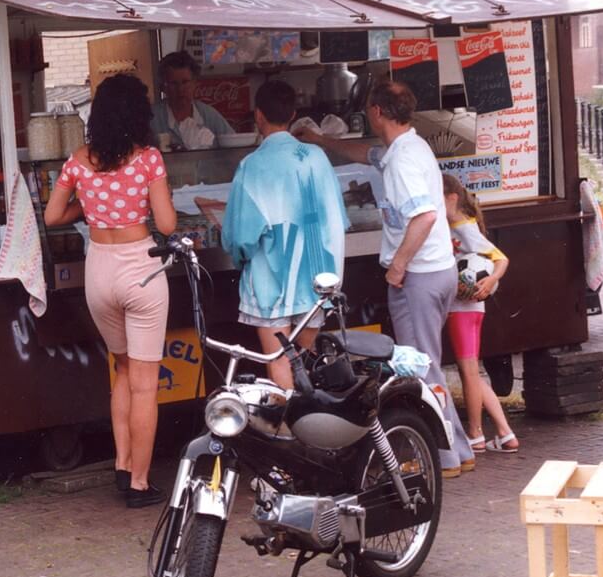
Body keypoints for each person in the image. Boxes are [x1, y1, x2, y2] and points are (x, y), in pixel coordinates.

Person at [298, 79, 476, 478]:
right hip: (438, 271)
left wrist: (398, 264)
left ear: (376, 112)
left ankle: (440, 455)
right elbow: (365, 153)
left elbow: (426, 215)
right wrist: (321, 140)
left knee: (416, 367)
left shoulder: (401, 160)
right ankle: (459, 448)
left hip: (419, 276)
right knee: (427, 362)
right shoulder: (409, 146)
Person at [44, 74, 178, 508]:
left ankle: (122, 464)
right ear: (138, 114)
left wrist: (89, 204)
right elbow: (169, 225)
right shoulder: (149, 159)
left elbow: (51, 216)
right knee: (144, 384)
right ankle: (139, 483)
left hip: (98, 271)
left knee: (121, 369)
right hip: (141, 268)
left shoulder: (79, 160)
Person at [221, 80, 348, 390]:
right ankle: (312, 426)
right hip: (318, 281)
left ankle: (290, 432)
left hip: (269, 286)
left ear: (258, 115)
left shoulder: (252, 166)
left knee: (278, 359)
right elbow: (338, 219)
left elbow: (239, 238)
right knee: (305, 359)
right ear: (293, 114)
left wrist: (240, 260)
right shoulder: (317, 156)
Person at [441, 174, 519, 454]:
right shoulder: (461, 226)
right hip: (471, 309)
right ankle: (505, 433)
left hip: (463, 308)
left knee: (468, 372)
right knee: (473, 372)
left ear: (451, 198)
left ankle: (474, 433)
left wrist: (489, 280)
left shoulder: (463, 227)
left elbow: (501, 258)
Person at [150, 50, 235, 151]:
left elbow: (233, 144)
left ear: (195, 83)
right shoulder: (151, 118)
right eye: (173, 83)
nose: (180, 89)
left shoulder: (209, 115)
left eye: (185, 82)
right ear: (163, 87)